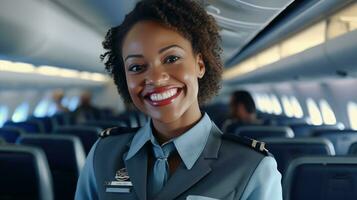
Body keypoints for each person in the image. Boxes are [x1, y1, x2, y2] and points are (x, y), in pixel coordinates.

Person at [75, 0, 282, 200]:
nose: (155, 79)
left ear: (200, 64)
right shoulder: (103, 155)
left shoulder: (251, 168)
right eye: (137, 67)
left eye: (171, 59)